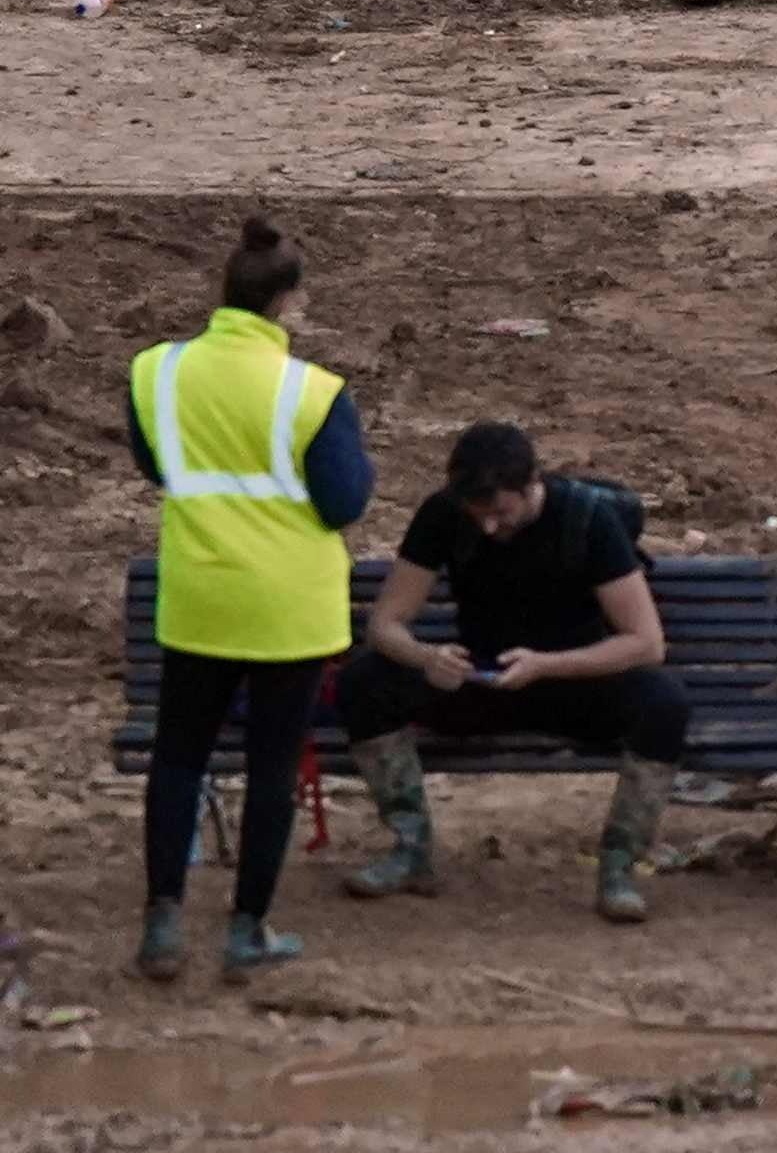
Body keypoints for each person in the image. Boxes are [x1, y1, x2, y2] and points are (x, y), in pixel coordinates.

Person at [124, 217, 372, 983]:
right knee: (271, 768)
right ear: (286, 303)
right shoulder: (313, 392)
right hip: (289, 612)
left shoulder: (155, 372)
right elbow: (342, 503)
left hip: (199, 597)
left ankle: (163, 920)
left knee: (178, 757)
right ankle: (246, 931)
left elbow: (157, 464)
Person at [338, 421, 693, 924]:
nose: (488, 527)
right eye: (476, 515)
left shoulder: (587, 518)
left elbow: (646, 643)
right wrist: (426, 657)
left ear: (532, 486)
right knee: (365, 681)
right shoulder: (443, 514)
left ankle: (619, 864)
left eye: (501, 513)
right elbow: (386, 624)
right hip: (482, 680)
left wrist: (546, 664)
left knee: (664, 702)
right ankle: (409, 847)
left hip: (574, 682)